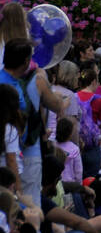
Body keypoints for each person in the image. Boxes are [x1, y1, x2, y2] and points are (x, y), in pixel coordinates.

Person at [0, 37, 69, 200]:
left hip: (18, 151)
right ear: (25, 61)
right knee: (26, 201)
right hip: (13, 152)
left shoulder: (17, 80)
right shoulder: (11, 86)